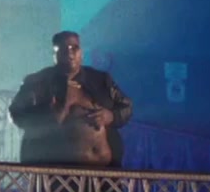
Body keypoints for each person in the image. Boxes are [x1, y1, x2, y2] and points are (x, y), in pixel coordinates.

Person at [9, 30, 133, 167]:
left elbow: (126, 107)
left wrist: (111, 116)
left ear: (81, 53)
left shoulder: (101, 80)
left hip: (102, 172)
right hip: (52, 170)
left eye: (74, 48)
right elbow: (15, 113)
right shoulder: (36, 82)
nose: (70, 53)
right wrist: (44, 117)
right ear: (54, 54)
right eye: (63, 48)